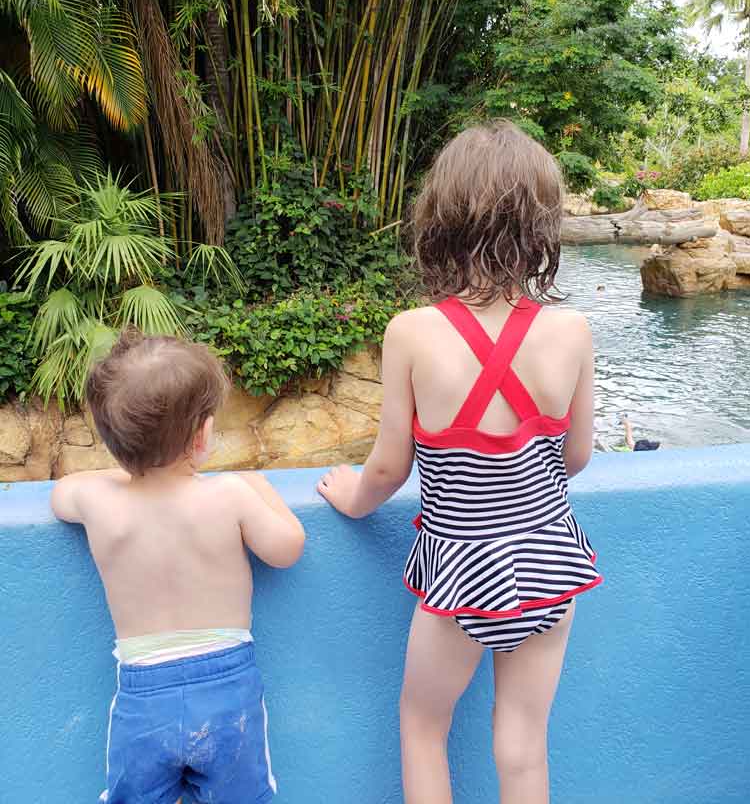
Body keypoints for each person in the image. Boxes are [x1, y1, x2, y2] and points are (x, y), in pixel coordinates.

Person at [317, 119, 602, 804]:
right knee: (522, 745)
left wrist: (349, 497)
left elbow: (388, 469)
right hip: (548, 558)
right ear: (541, 223)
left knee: (422, 724)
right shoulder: (571, 330)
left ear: (440, 218)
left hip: (459, 569)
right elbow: (579, 455)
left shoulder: (412, 332)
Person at [52, 329, 305, 804]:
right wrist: (260, 486)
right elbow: (288, 547)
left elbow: (61, 494)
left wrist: (127, 471)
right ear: (203, 434)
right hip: (227, 689)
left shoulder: (96, 502)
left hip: (143, 693)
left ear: (113, 444)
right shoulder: (229, 494)